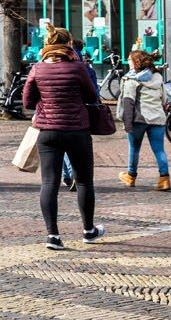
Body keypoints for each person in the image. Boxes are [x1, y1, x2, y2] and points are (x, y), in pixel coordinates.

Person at [23, 28, 105, 250]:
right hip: (77, 129)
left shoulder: (37, 69)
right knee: (84, 181)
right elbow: (91, 96)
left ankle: (53, 235)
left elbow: (28, 102)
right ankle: (89, 230)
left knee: (49, 182)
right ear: (68, 43)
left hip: (48, 131)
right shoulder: (78, 68)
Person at [118, 49, 170, 192]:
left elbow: (128, 102)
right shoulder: (157, 77)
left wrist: (127, 124)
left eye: (129, 59)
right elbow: (164, 99)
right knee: (159, 150)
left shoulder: (131, 80)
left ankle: (131, 176)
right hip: (157, 118)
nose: (128, 62)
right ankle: (164, 179)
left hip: (139, 119)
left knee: (134, 149)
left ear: (136, 62)